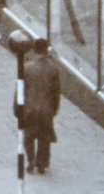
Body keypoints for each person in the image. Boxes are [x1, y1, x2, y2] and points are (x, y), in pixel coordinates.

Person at [23, 38, 61, 175]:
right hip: (46, 108)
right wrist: (54, 109)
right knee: (44, 136)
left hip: (30, 108)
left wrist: (18, 108)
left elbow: (21, 91)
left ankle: (30, 160)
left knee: (28, 136)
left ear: (34, 50)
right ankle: (41, 163)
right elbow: (56, 92)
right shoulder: (53, 68)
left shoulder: (27, 68)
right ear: (46, 50)